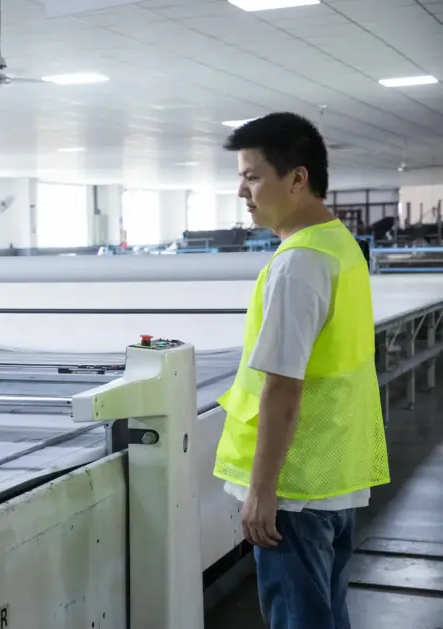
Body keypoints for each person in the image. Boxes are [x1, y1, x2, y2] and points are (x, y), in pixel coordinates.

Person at [212, 112, 390, 629]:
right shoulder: (341, 247)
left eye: (252, 176)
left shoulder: (298, 264)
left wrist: (263, 491)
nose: (242, 191)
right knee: (325, 615)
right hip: (332, 475)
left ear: (297, 177)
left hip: (296, 489)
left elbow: (283, 387)